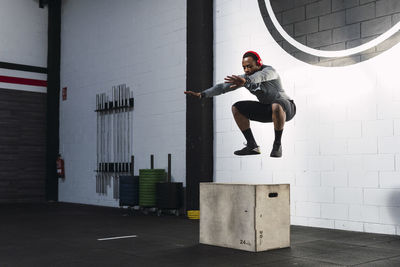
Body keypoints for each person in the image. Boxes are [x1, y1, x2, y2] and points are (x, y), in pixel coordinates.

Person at [184, 51, 296, 157]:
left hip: (287, 108)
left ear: (259, 63)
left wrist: (246, 82)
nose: (246, 70)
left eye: (249, 66)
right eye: (244, 67)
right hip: (267, 110)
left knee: (276, 105)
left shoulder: (269, 71)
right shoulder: (244, 78)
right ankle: (252, 146)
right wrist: (202, 94)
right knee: (237, 108)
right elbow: (222, 87)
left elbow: (261, 77)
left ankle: (277, 145)